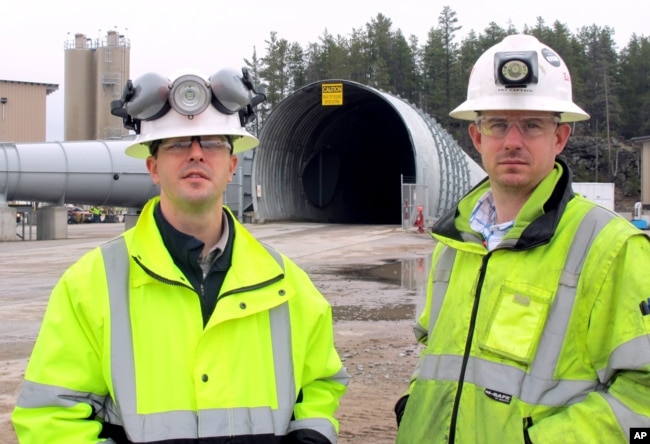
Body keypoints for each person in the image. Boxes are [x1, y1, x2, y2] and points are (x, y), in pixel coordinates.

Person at [12, 67, 349, 443]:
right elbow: (50, 416)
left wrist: (313, 435)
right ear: (153, 168)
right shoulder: (91, 285)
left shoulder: (288, 285)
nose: (195, 154)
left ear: (231, 167)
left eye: (211, 143)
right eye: (176, 144)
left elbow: (320, 386)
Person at [394, 34, 650, 443]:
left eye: (532, 125)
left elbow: (643, 395)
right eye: (498, 124)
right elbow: (435, 351)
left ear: (560, 138)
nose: (513, 141)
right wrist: (412, 408)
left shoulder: (610, 248)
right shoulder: (455, 243)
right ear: (478, 139)